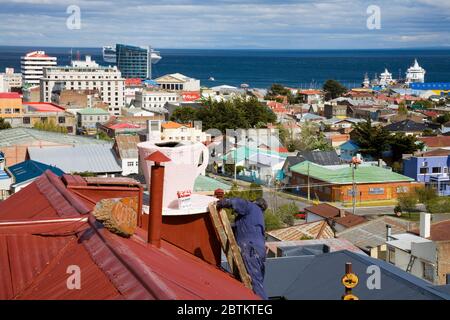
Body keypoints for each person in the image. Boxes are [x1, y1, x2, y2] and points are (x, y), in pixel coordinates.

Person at [216, 197, 268, 300]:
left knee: (255, 284)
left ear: (255, 202)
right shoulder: (258, 217)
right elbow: (239, 227)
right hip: (259, 250)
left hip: (250, 248)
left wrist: (222, 202)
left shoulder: (251, 207)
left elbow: (238, 202)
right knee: (257, 282)